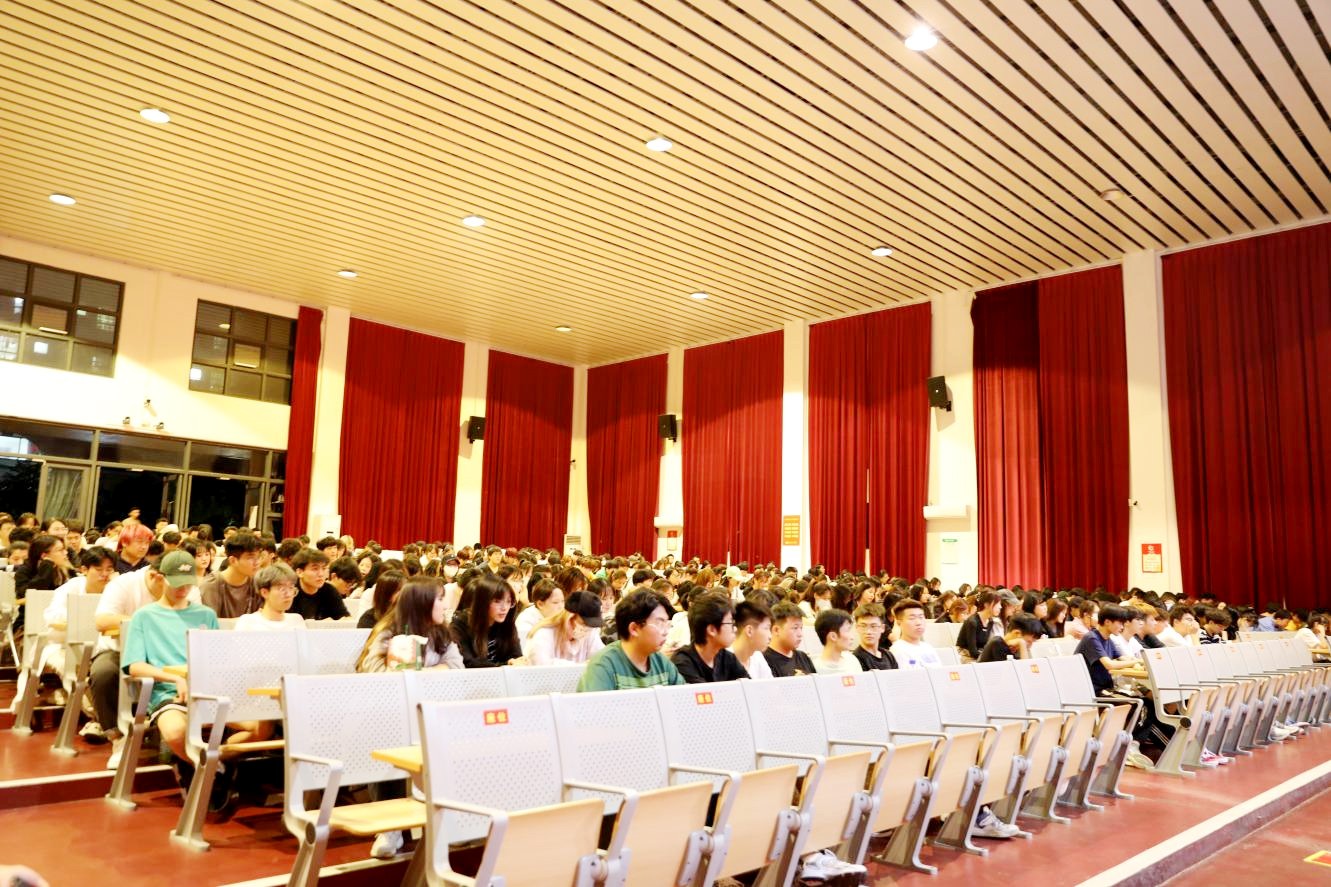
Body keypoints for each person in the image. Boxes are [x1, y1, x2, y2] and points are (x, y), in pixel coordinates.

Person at [356, 576, 463, 858]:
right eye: (440, 599)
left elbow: (456, 667)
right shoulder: (388, 632)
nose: (445, 604)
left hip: (428, 712)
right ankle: (389, 828)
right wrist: (426, 674)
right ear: (421, 602)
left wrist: (417, 675)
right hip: (388, 712)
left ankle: (445, 819)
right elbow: (374, 673)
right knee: (389, 738)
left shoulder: (441, 634)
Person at [120, 550, 219, 784]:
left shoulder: (206, 614)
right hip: (167, 693)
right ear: (161, 578)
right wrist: (174, 677)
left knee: (260, 727)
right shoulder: (144, 616)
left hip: (207, 690)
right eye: (177, 583)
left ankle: (213, 766)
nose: (183, 589)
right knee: (175, 732)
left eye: (188, 583)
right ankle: (211, 771)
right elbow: (134, 665)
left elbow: (217, 658)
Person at [577, 588, 685, 692]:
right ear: (634, 629)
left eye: (667, 624)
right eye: (659, 623)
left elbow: (683, 698)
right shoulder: (602, 666)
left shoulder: (662, 662)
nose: (666, 632)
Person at [671, 590, 748, 683]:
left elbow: (749, 687)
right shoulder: (683, 662)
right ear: (712, 630)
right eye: (730, 623)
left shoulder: (727, 657)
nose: (735, 629)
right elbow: (705, 691)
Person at [450, 573, 526, 667]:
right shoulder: (461, 623)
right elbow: (467, 662)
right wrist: (506, 665)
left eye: (509, 601)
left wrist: (516, 663)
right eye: (497, 601)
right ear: (482, 602)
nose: (504, 608)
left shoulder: (506, 622)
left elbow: (516, 657)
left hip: (504, 674)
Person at [525, 589, 605, 666]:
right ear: (570, 617)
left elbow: (602, 659)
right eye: (583, 624)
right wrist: (580, 666)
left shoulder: (590, 632)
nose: (586, 629)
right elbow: (541, 664)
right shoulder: (544, 634)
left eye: (590, 626)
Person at [199, 532, 262, 618]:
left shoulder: (257, 583)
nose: (257, 562)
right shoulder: (211, 585)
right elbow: (209, 622)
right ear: (233, 560)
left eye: (258, 557)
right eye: (251, 558)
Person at [235, 563, 305, 630]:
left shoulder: (296, 620)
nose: (288, 594)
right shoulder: (248, 623)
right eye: (282, 589)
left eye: (291, 588)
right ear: (264, 592)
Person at [289, 548, 349, 620]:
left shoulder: (329, 591)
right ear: (300, 572)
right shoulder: (290, 591)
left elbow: (345, 618)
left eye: (324, 568)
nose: (321, 574)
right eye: (315, 569)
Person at [763, 601, 817, 677]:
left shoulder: (803, 657)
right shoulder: (764, 661)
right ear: (776, 630)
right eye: (795, 628)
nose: (800, 634)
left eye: (801, 628)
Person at [889, 599, 942, 668]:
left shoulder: (928, 647)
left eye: (921, 617)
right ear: (899, 622)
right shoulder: (897, 650)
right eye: (912, 618)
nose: (918, 623)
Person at [730, 600, 774, 679]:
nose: (770, 636)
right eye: (766, 628)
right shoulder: (722, 660)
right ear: (749, 631)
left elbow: (771, 685)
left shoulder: (757, 657)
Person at [956, 589, 1002, 662]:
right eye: (997, 604)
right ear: (986, 605)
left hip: (979, 656)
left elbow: (986, 646)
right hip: (965, 657)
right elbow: (973, 652)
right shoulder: (972, 622)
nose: (1000, 607)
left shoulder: (990, 621)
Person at [812, 608, 862, 675]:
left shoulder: (852, 660)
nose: (852, 637)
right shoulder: (814, 668)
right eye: (848, 630)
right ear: (833, 636)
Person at [516, 578, 564, 644]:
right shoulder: (525, 621)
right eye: (555, 602)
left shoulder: (560, 616)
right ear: (540, 604)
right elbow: (526, 647)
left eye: (563, 601)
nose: (561, 607)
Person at [978, 613, 1044, 662]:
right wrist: (1022, 643)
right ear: (1017, 633)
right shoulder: (997, 643)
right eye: (1028, 642)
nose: (1030, 646)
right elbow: (1024, 671)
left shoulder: (1014, 648)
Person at [852, 603, 897, 670]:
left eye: (873, 626)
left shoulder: (888, 655)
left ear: (882, 628)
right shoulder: (854, 659)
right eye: (863, 626)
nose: (868, 631)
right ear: (857, 627)